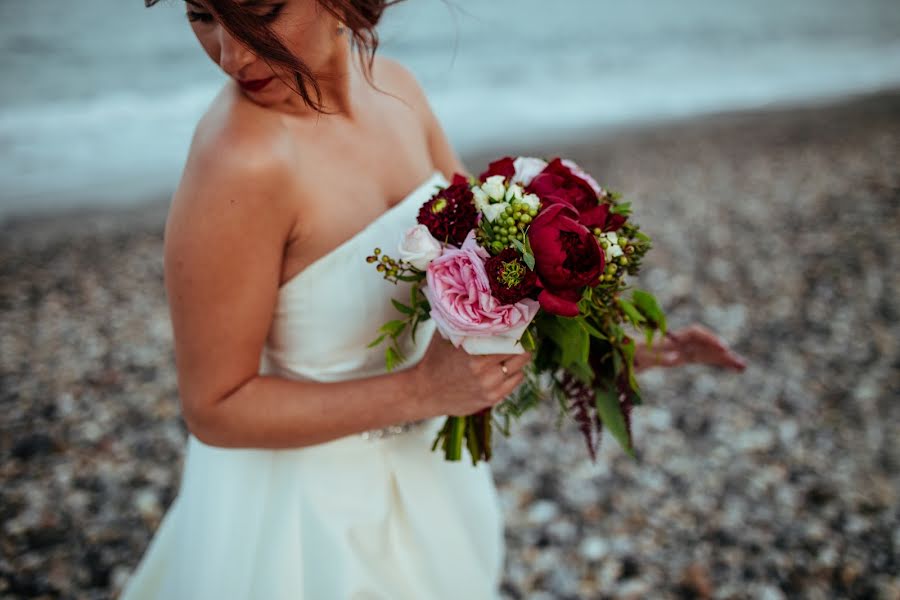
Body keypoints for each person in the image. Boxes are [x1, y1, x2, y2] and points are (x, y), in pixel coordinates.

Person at [122, 1, 746, 598]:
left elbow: (494, 269)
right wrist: (424, 393)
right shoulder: (239, 165)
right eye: (201, 16)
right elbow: (214, 408)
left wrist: (613, 348)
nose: (230, 55)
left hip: (429, 479)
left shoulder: (397, 88)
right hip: (305, 520)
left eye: (259, 13)